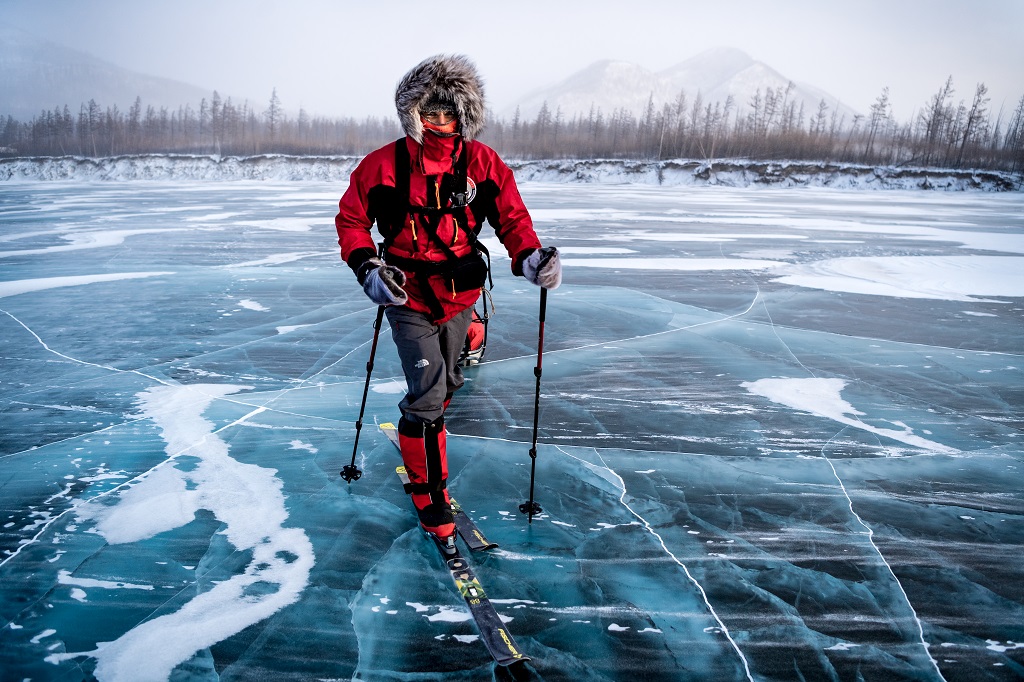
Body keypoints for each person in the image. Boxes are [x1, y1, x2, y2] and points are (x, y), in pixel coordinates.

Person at [334, 54, 561, 547]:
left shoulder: (481, 162)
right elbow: (351, 220)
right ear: (413, 114)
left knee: (449, 380)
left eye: (447, 113)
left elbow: (512, 220)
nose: (438, 122)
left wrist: (530, 259)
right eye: (429, 113)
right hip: (406, 294)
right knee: (431, 392)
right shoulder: (383, 165)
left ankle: (444, 381)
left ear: (464, 114)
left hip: (460, 292)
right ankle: (429, 491)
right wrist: (367, 267)